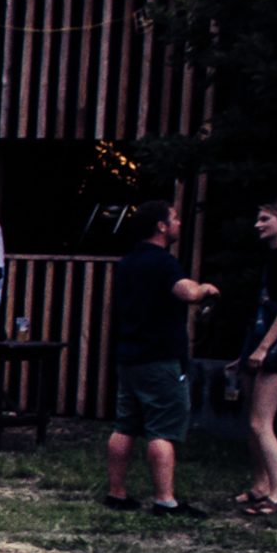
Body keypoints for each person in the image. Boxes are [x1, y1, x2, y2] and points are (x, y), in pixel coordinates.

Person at [104, 201, 218, 517]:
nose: (179, 223)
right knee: (162, 430)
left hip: (129, 356)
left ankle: (116, 493)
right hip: (161, 358)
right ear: (161, 227)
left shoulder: (127, 263)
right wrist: (204, 289)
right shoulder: (163, 263)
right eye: (176, 218)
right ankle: (165, 501)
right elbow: (187, 292)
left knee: (125, 425)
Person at [229, 199, 277, 517]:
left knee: (262, 422)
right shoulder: (272, 256)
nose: (258, 224)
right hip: (260, 341)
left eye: (265, 219)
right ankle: (261, 486)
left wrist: (264, 348)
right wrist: (246, 351)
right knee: (253, 421)